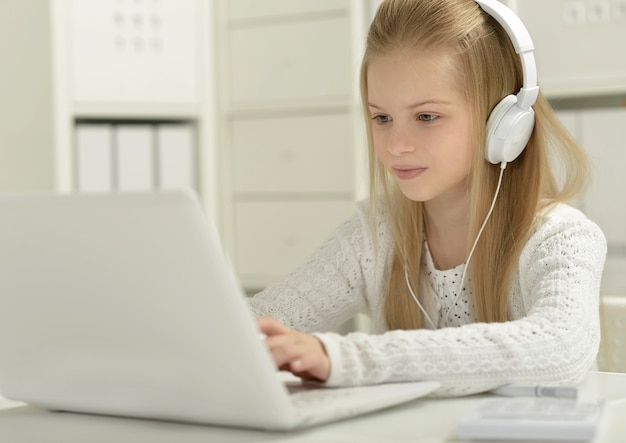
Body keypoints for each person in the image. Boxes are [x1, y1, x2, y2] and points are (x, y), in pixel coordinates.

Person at [248, 0, 607, 396]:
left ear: (504, 123)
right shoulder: (375, 233)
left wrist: (349, 359)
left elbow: (560, 349)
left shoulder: (563, 237)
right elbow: (261, 321)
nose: (396, 145)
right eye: (382, 118)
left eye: (426, 117)